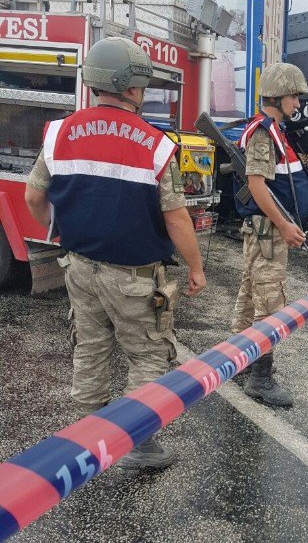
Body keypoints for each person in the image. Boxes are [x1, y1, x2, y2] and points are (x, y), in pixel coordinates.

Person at [25, 37, 207, 469]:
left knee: (90, 348)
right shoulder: (156, 144)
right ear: (129, 88)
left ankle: (85, 440)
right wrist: (196, 268)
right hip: (135, 277)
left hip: (79, 267)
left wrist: (61, 232)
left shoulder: (60, 133)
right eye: (142, 85)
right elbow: (177, 218)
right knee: (146, 354)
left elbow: (34, 197)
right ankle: (139, 445)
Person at [230, 62, 308, 407]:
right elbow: (257, 185)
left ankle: (237, 362)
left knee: (250, 298)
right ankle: (260, 379)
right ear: (278, 96)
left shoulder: (274, 131)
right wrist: (283, 224)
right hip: (268, 235)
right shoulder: (264, 133)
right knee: (271, 306)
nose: (298, 103)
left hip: (266, 233)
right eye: (294, 96)